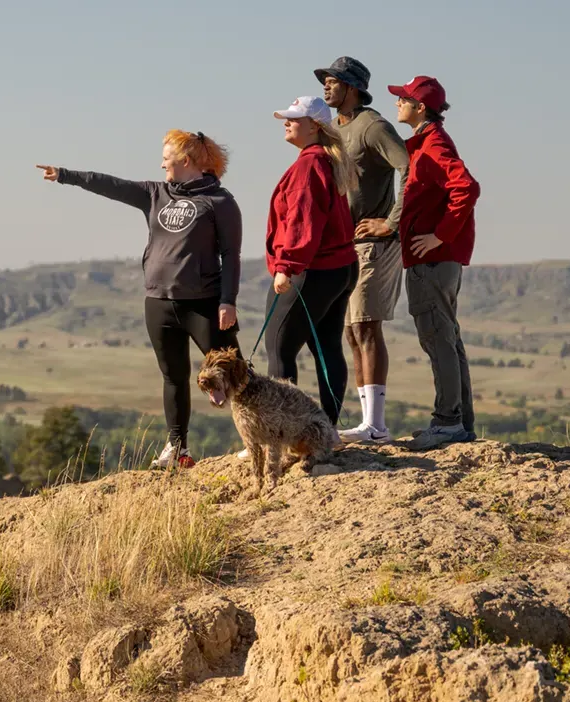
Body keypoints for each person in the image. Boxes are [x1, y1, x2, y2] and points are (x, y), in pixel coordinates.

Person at [35, 130, 242, 468]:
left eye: (166, 158)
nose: (161, 164)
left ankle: (262, 435)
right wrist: (65, 176)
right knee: (173, 376)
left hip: (203, 304)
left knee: (236, 373)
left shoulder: (220, 202)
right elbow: (111, 185)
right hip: (158, 303)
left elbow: (231, 255)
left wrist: (227, 301)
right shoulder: (155, 193)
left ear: (186, 161)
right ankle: (178, 448)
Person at [313, 57, 410, 443]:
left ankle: (377, 425)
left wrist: (392, 221)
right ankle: (369, 423)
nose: (326, 87)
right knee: (353, 331)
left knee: (367, 327)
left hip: (374, 242)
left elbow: (410, 167)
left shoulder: (372, 125)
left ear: (352, 87)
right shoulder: (335, 129)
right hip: (345, 244)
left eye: (333, 81)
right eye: (325, 81)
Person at [386, 76, 482, 449]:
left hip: (434, 260)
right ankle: (459, 422)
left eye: (403, 99)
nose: (398, 104)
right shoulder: (427, 143)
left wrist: (441, 234)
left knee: (437, 337)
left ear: (420, 107)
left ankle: (447, 423)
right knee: (447, 338)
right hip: (438, 259)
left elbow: (466, 188)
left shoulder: (434, 144)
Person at [264, 96, 357, 426]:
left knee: (279, 348)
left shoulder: (309, 164)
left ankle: (282, 431)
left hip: (312, 270)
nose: (286, 123)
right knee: (327, 347)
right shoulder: (326, 160)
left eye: (294, 118)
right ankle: (328, 430)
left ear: (315, 126)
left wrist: (286, 266)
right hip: (340, 268)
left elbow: (304, 221)